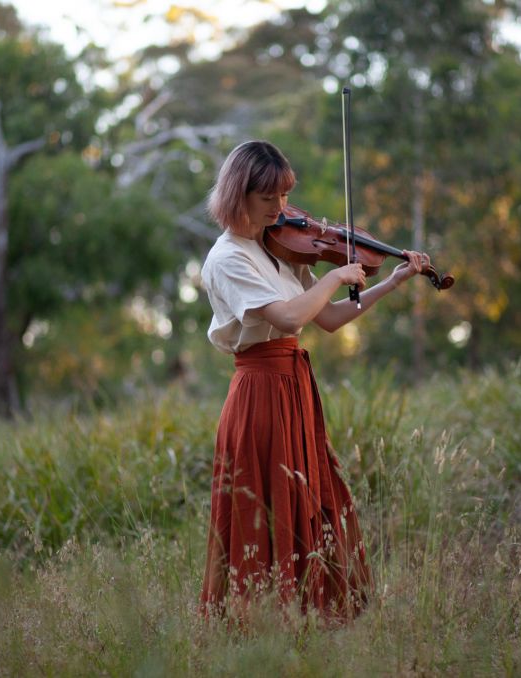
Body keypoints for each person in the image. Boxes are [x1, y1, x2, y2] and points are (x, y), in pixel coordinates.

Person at [199, 140, 428, 623]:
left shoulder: (279, 248)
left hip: (295, 386)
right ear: (239, 194)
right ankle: (257, 622)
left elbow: (326, 320)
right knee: (263, 505)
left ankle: (315, 617)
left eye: (285, 195)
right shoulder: (227, 259)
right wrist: (334, 275)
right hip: (260, 390)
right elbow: (285, 317)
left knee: (313, 496)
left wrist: (389, 282)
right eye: (268, 198)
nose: (282, 208)